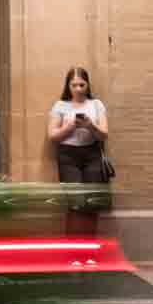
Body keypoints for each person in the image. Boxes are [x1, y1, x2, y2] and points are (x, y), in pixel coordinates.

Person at [48, 66, 111, 237]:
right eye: (74, 85)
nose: (78, 89)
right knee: (75, 203)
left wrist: (90, 125)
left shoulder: (96, 105)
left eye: (82, 85)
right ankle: (73, 251)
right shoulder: (60, 105)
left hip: (92, 155)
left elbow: (104, 134)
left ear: (88, 85)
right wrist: (69, 127)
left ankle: (89, 250)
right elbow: (52, 136)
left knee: (91, 203)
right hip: (68, 156)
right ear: (68, 86)